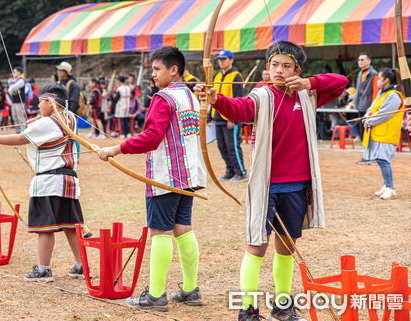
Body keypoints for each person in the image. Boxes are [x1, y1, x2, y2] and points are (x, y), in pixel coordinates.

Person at [195, 41, 347, 321]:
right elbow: (238, 109)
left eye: (286, 66)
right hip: (267, 184)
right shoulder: (261, 96)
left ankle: (282, 305)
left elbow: (340, 82)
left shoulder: (308, 95)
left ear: (297, 70)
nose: (279, 70)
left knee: (286, 246)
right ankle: (248, 309)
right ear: (267, 68)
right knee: (257, 245)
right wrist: (216, 100)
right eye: (274, 65)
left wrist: (308, 83)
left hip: (298, 184)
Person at [98, 46, 205, 311]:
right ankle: (190, 290)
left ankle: (156, 296)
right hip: (187, 175)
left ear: (174, 70)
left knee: (160, 232)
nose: (154, 75)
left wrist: (116, 148)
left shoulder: (164, 98)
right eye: (152, 70)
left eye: (157, 69)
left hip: (165, 175)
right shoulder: (190, 97)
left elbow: (151, 137)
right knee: (182, 229)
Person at [0, 83, 85, 282]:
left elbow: (21, 139)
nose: (38, 106)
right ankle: (80, 265)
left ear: (52, 103)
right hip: (68, 181)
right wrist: (41, 118)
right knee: (71, 225)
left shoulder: (47, 124)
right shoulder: (70, 117)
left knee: (45, 227)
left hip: (49, 181)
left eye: (42, 102)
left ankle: (43, 269)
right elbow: (50, 122)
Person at [361, 68, 404, 201]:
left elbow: (385, 114)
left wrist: (370, 121)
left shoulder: (394, 95)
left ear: (386, 80)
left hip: (387, 132)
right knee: (380, 160)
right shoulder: (382, 93)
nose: (377, 81)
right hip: (378, 131)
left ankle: (390, 188)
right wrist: (366, 117)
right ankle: (386, 185)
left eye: (380, 78)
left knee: (384, 160)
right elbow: (372, 108)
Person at [211, 50, 247, 182]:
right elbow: (212, 97)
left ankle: (241, 172)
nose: (221, 61)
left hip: (230, 119)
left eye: (224, 59)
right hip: (218, 117)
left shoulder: (236, 76)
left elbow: (239, 98)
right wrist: (210, 116)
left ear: (231, 60)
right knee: (222, 146)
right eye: (220, 59)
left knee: (232, 146)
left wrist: (234, 118)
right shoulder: (217, 76)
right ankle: (230, 170)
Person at [353, 52, 379, 160]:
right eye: (358, 60)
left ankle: (371, 155)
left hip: (369, 106)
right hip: (360, 105)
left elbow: (376, 92)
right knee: (362, 130)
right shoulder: (360, 73)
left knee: (369, 130)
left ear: (369, 61)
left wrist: (373, 107)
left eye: (362, 60)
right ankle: (367, 154)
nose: (360, 62)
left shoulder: (374, 74)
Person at [8, 67, 27, 132]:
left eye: (15, 72)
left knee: (20, 117)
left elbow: (11, 89)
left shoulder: (21, 80)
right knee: (14, 117)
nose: (13, 73)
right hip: (14, 101)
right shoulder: (14, 80)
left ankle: (23, 131)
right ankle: (18, 131)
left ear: (19, 72)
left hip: (19, 101)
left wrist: (10, 87)